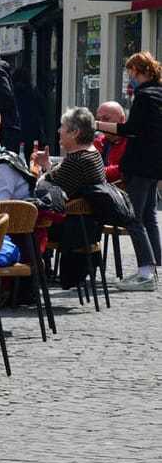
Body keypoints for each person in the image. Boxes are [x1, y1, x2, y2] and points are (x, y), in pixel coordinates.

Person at [99, 51, 162, 291]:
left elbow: (130, 129)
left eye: (130, 72)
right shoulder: (160, 93)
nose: (129, 76)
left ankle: (146, 272)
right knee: (149, 217)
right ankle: (155, 268)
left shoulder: (144, 95)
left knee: (133, 217)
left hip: (140, 164)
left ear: (137, 70)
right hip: (156, 165)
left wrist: (95, 124)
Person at [33, 107, 107, 198]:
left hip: (66, 211)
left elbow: (52, 197)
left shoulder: (77, 160)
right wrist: (47, 164)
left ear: (75, 132)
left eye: (62, 126)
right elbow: (63, 177)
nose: (59, 130)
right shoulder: (91, 152)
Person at [13, 68, 46, 151]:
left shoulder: (11, 94)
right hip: (33, 134)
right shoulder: (35, 93)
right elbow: (43, 111)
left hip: (15, 134)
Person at [96, 101, 128, 182]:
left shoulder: (132, 142)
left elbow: (126, 169)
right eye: (98, 119)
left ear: (122, 119)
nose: (101, 123)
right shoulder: (98, 142)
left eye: (106, 119)